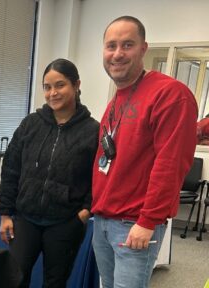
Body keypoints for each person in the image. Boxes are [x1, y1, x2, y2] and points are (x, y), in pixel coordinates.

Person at [91, 16, 198, 288]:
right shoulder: (117, 98)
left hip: (133, 224)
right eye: (111, 45)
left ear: (143, 48)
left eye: (127, 45)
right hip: (103, 218)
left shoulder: (171, 94)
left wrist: (148, 220)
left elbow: (171, 163)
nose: (117, 54)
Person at [0, 58, 99, 288]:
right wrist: (5, 213)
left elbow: (99, 177)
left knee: (55, 283)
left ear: (76, 85)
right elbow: (11, 167)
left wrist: (84, 212)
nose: (53, 93)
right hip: (26, 219)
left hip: (65, 222)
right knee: (14, 278)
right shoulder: (31, 124)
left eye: (60, 85)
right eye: (47, 87)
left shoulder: (92, 130)